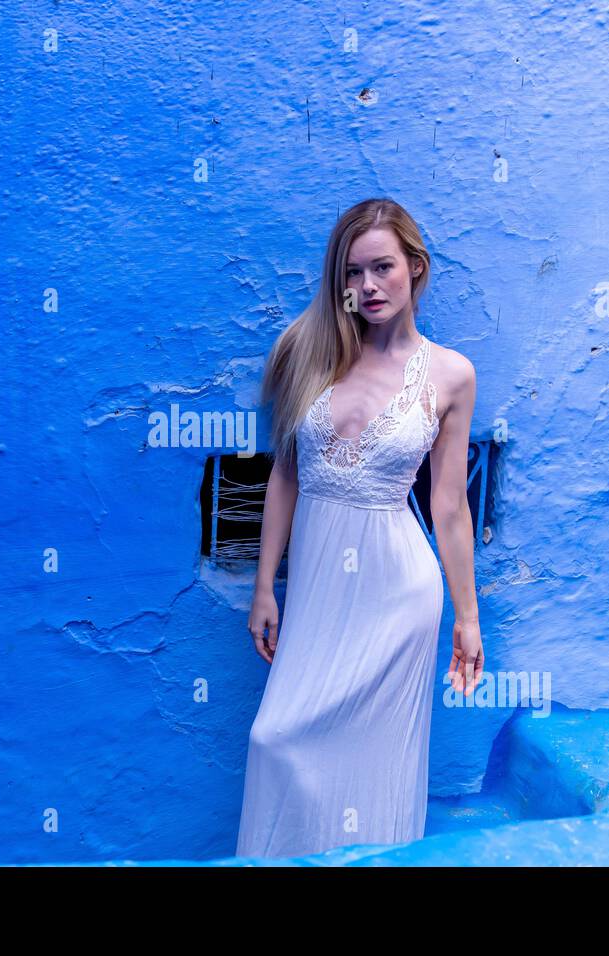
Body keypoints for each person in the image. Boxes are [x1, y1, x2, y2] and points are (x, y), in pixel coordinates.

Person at [235, 197, 483, 858]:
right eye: (352, 273)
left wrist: (467, 618)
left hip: (399, 592)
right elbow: (284, 474)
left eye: (382, 268)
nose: (367, 286)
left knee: (376, 762)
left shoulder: (451, 374)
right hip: (319, 591)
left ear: (416, 269)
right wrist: (266, 587)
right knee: (277, 739)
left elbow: (450, 508)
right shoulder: (308, 352)